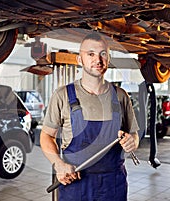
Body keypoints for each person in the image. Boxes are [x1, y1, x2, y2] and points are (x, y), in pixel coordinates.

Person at [40, 32, 140, 201]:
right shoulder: (63, 95)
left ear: (108, 59)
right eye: (91, 54)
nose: (98, 60)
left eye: (103, 54)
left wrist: (133, 142)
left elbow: (134, 135)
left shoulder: (121, 96)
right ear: (80, 60)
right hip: (76, 183)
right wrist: (58, 164)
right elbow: (47, 135)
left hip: (112, 184)